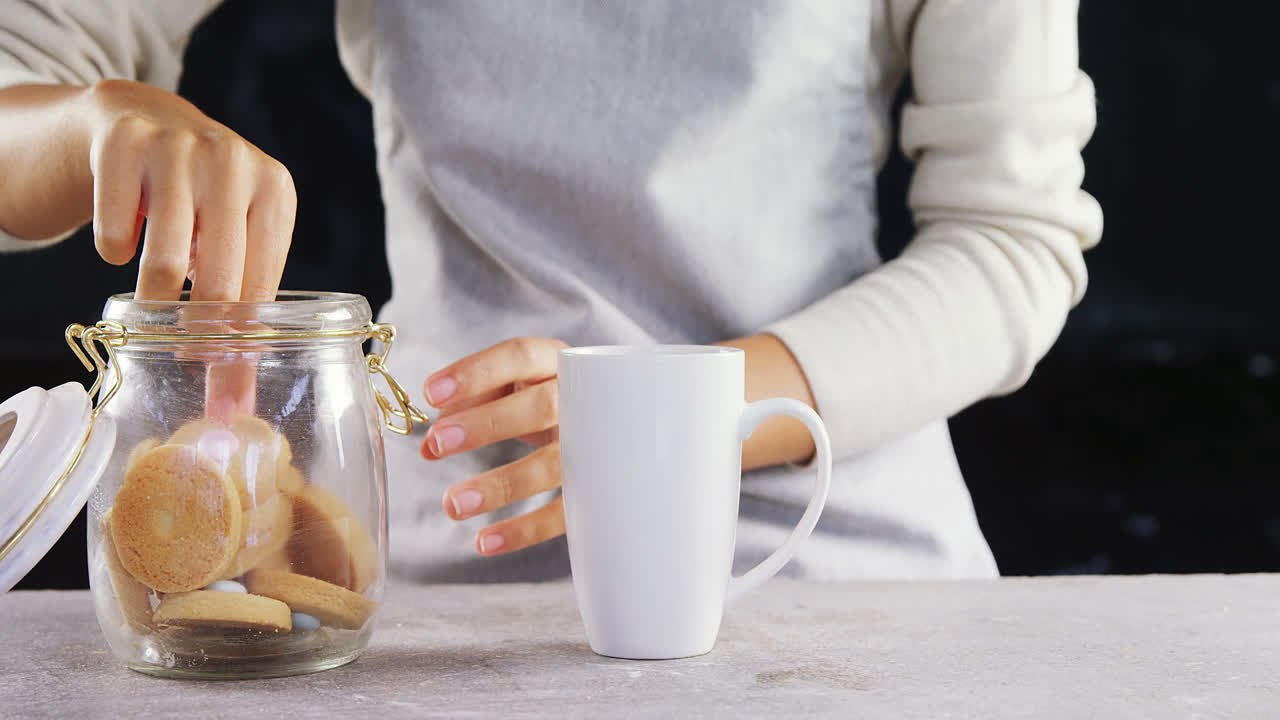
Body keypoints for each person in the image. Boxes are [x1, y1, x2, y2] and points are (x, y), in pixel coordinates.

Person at [0, 1, 1102, 581]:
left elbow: (1012, 240)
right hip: (450, 565)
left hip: (835, 555)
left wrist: (682, 407)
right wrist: (90, 120)